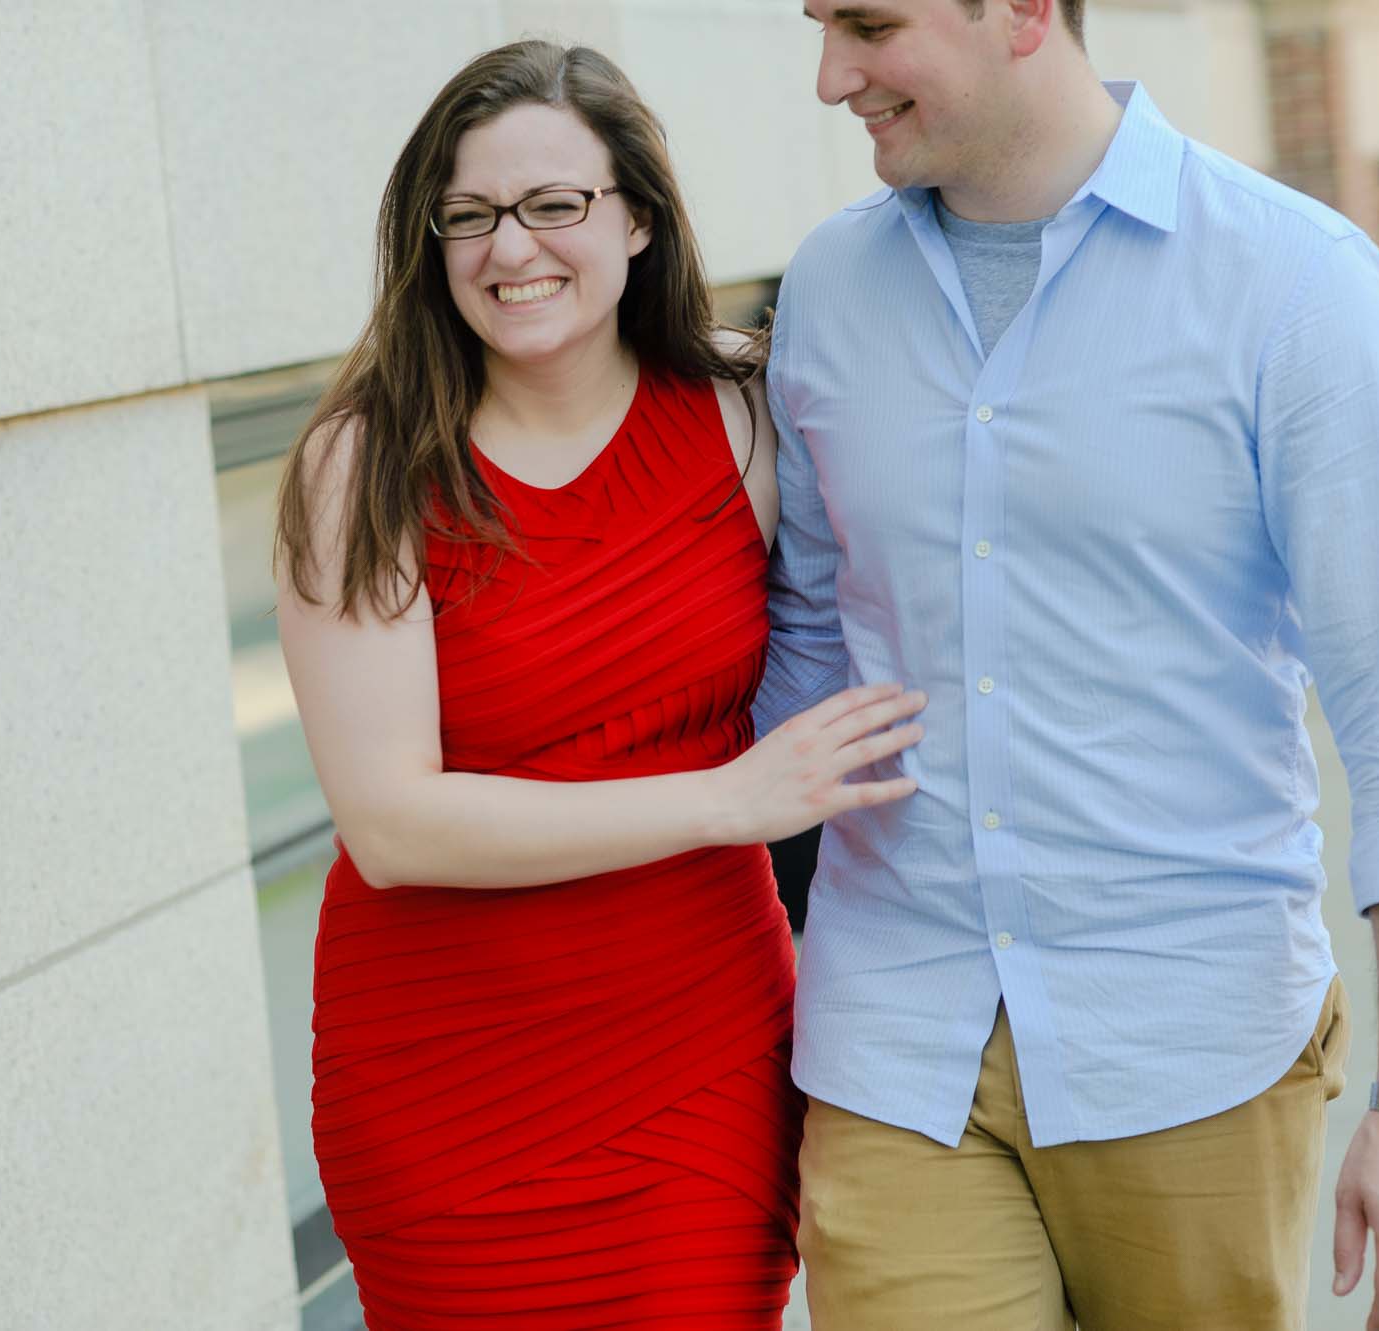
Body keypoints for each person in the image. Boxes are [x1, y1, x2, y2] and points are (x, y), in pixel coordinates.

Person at [759, 4, 1379, 1330]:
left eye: (869, 25)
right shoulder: (826, 288)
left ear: (1027, 12)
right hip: (895, 1035)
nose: (831, 78)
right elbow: (804, 647)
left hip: (1190, 1040)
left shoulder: (1294, 279)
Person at [272, 41, 924, 1330]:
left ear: (635, 215)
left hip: (700, 1052)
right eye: (467, 216)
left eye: (553, 204)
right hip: (445, 1081)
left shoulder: (742, 412)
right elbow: (392, 825)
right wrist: (721, 800)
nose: (509, 249)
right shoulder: (368, 464)